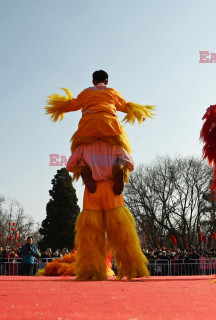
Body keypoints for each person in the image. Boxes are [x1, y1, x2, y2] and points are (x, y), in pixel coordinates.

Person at [44, 71, 155, 280]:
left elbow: (69, 165)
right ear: (107, 81)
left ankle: (91, 271)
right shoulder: (116, 140)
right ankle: (135, 268)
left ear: (93, 81)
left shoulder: (83, 143)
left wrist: (82, 168)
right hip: (113, 189)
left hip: (91, 188)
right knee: (122, 232)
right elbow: (131, 161)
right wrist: (121, 168)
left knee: (90, 234)